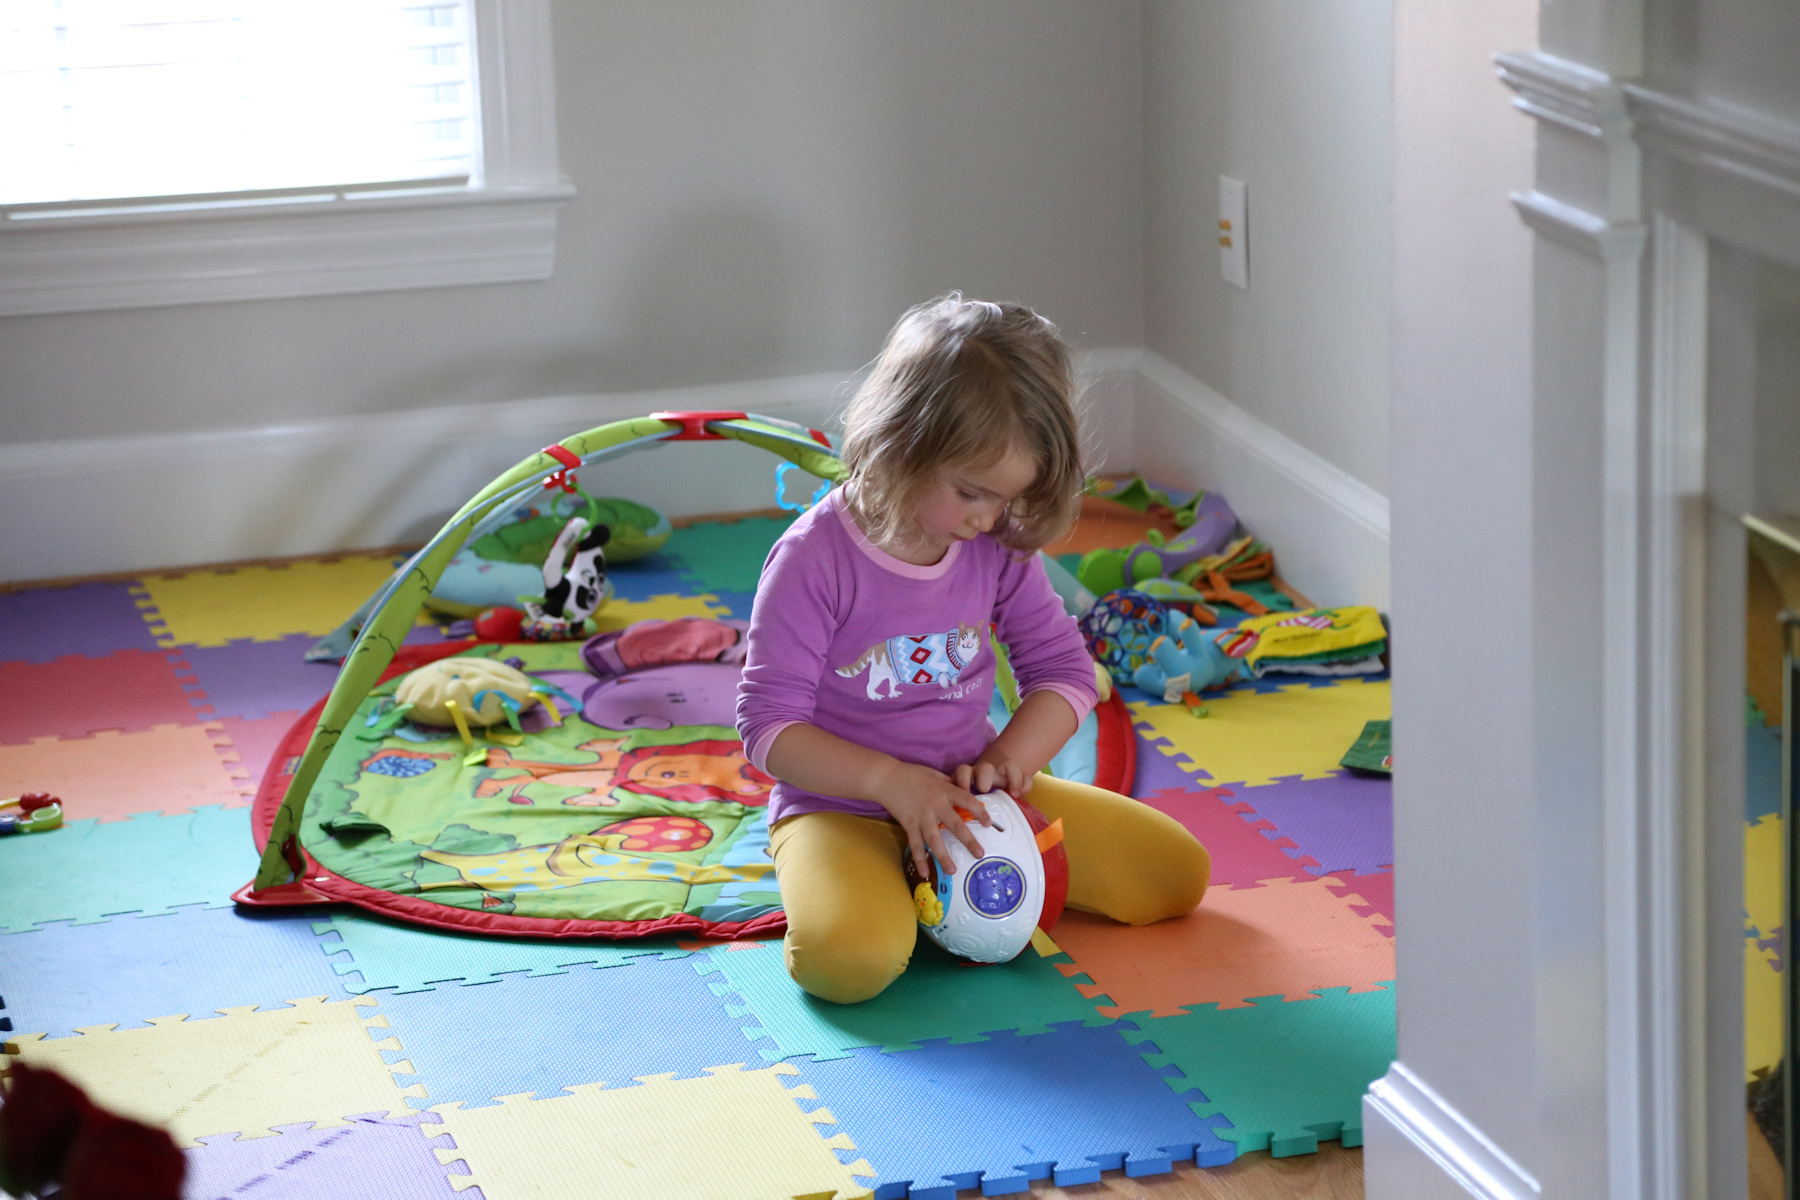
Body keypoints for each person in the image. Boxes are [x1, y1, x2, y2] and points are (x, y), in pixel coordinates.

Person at [736, 294, 1211, 1003]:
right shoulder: (813, 559)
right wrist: (892, 784)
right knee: (848, 963)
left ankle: (928, 892)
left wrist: (1008, 762)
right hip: (843, 807)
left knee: (1175, 876)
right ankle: (891, 885)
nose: (991, 518)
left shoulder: (995, 544)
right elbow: (769, 729)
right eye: (971, 493)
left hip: (971, 801)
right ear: (901, 446)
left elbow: (1064, 673)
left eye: (1008, 499)